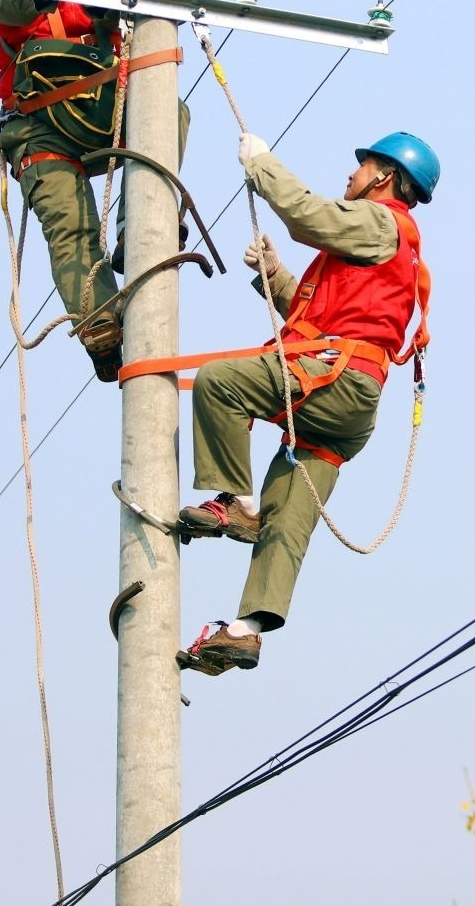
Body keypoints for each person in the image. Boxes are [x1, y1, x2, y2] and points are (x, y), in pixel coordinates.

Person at [175, 130, 437, 675]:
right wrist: (273, 274)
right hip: (354, 401)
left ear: (387, 178)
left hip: (335, 379)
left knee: (221, 383)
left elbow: (305, 214)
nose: (352, 174)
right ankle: (245, 633)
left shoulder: (379, 221)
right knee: (289, 517)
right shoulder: (386, 245)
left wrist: (262, 165)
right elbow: (323, 315)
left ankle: (238, 503)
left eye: (363, 166)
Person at [0, 0, 186, 381]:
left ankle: (140, 225)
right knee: (71, 227)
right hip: (39, 127)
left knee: (168, 110)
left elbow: (141, 5)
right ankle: (102, 327)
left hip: (98, 115)